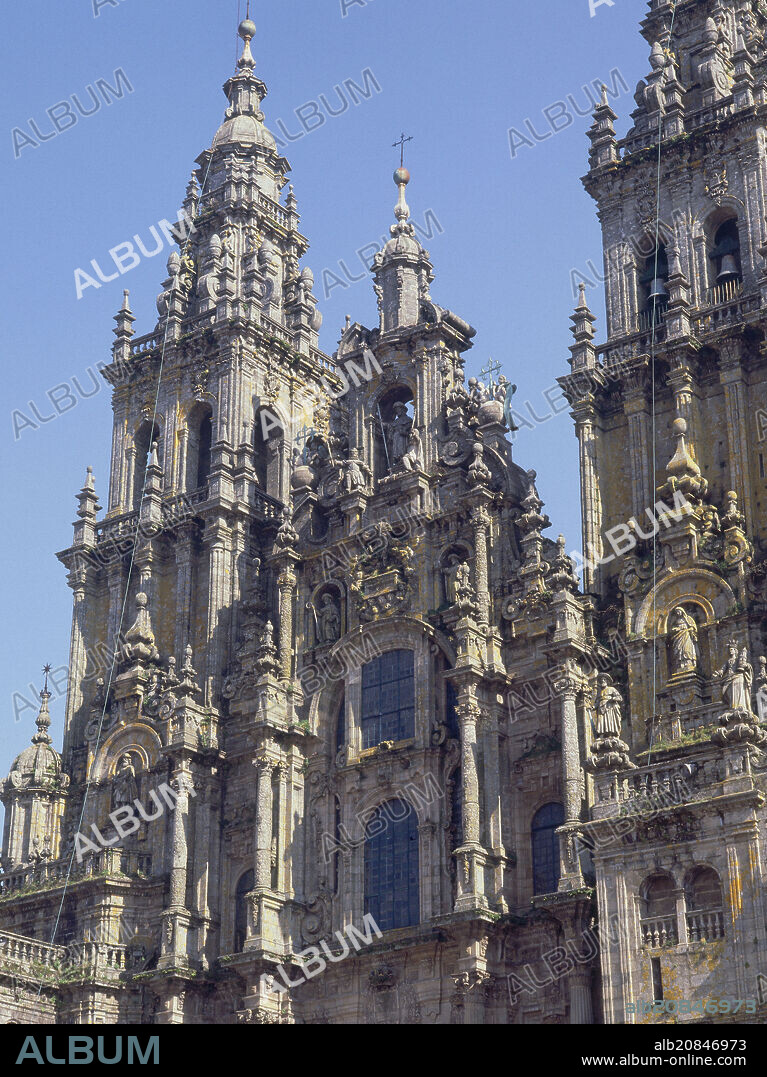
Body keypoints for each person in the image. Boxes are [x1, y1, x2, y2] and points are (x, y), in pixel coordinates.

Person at [669, 606, 698, 674]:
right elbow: (672, 629)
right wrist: (675, 629)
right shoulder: (676, 621)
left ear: (682, 611)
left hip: (687, 636)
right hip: (678, 637)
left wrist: (688, 630)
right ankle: (680, 664)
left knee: (686, 650)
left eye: (678, 611)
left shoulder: (688, 619)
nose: (678, 613)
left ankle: (688, 663)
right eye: (676, 612)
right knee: (679, 651)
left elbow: (693, 628)